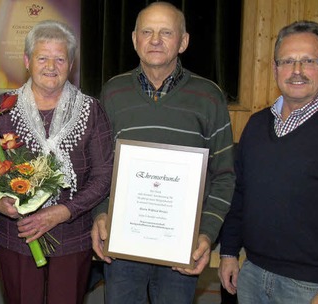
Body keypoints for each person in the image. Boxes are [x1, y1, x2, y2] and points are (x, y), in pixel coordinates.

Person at [91, 2, 235, 303]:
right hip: (122, 242)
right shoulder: (112, 92)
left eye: (166, 32)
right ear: (134, 39)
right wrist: (100, 213)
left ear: (183, 41)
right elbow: (100, 167)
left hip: (182, 245)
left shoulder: (209, 96)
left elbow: (223, 175)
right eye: (147, 31)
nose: (155, 40)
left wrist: (206, 234)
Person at [0, 20, 114, 303]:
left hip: (72, 237)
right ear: (27, 61)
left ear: (70, 64)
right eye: (42, 58)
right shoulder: (1, 110)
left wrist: (64, 211)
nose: (51, 66)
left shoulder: (91, 109)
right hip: (18, 236)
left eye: (60, 58)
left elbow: (104, 174)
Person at [218, 21, 318, 304]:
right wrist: (229, 252)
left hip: (312, 287)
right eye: (288, 61)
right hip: (252, 274)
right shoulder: (256, 125)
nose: (297, 71)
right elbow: (239, 194)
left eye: (308, 61)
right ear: (274, 68)